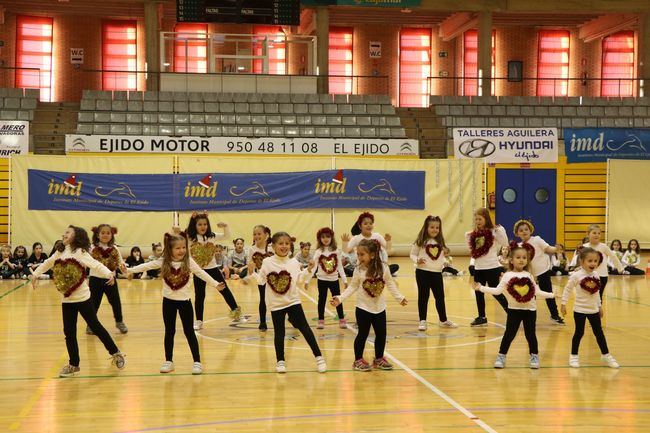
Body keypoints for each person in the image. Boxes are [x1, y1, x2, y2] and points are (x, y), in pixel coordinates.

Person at [30, 225, 126, 377]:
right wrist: (35, 274)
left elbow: (95, 264)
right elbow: (48, 262)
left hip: (83, 298)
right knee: (69, 332)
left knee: (96, 326)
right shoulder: (60, 251)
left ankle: (116, 353)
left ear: (76, 236)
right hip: (67, 299)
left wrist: (109, 274)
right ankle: (74, 364)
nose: (64, 234)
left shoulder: (80, 252)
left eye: (67, 232)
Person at [126, 231, 225, 375]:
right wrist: (129, 269)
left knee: (189, 332)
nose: (182, 251)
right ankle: (169, 361)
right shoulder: (164, 262)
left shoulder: (189, 262)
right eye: (178, 248)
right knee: (169, 331)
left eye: (184, 247)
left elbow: (201, 274)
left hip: (185, 302)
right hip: (168, 303)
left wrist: (215, 284)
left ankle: (197, 362)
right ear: (170, 249)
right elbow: (146, 266)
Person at [250, 231, 326, 374]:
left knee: (305, 329)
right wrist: (252, 273)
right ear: (273, 246)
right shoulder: (267, 262)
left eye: (287, 243)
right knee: (279, 333)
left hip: (293, 301)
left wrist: (308, 271)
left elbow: (299, 280)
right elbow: (261, 281)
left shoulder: (294, 262)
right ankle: (280, 361)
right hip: (276, 304)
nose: (284, 246)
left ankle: (319, 358)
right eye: (280, 243)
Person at [473, 246, 555, 369]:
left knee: (531, 335)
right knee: (509, 334)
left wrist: (551, 295)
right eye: (518, 257)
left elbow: (536, 292)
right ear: (511, 260)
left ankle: (534, 356)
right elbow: (497, 291)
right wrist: (481, 288)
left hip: (530, 311)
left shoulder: (529, 275)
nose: (521, 260)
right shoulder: (507, 276)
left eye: (524, 258)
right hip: (514, 311)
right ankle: (501, 356)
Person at [333, 239, 407, 371]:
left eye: (362, 254)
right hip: (363, 308)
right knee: (362, 334)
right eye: (358, 254)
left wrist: (399, 297)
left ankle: (379, 358)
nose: (359, 257)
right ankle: (358, 360)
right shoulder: (358, 270)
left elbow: (390, 283)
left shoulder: (383, 268)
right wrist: (340, 298)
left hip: (379, 308)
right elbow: (352, 287)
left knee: (381, 334)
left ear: (372, 255)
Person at [561, 247, 619, 369]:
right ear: (582, 262)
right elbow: (567, 289)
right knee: (579, 333)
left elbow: (596, 292)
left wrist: (599, 306)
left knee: (599, 333)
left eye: (595, 261)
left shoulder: (596, 275)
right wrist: (563, 303)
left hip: (593, 310)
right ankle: (574, 356)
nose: (593, 263)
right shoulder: (576, 276)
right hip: (580, 310)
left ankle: (606, 355)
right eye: (590, 261)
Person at [186, 212, 242, 330]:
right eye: (200, 224)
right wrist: (191, 219)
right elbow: (181, 235)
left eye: (205, 224)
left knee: (225, 290)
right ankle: (199, 320)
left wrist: (225, 226)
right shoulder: (190, 237)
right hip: (199, 271)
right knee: (200, 296)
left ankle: (236, 314)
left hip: (213, 269)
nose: (203, 227)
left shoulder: (212, 236)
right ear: (195, 226)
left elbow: (227, 236)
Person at [410, 215, 457, 331]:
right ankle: (422, 321)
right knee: (423, 296)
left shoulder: (440, 242)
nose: (434, 230)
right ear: (426, 227)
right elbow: (412, 254)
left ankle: (443, 320)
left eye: (437, 227)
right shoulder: (421, 241)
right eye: (432, 227)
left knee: (440, 297)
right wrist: (417, 260)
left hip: (436, 273)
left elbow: (440, 257)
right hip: (422, 272)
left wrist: (446, 261)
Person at [513, 219, 564, 324]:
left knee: (548, 293)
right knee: (530, 297)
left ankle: (555, 315)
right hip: (528, 275)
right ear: (517, 233)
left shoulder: (537, 240)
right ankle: (529, 317)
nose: (524, 231)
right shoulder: (518, 246)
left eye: (526, 229)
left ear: (530, 230)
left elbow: (548, 249)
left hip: (543, 272)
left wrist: (556, 249)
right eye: (521, 230)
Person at [465, 208, 509, 326]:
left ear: (486, 219)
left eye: (480, 219)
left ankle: (510, 312)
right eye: (476, 219)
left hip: (492, 267)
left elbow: (505, 243)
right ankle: (482, 317)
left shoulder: (494, 232)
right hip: (479, 268)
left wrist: (499, 230)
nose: (478, 221)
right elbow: (472, 250)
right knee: (479, 292)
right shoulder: (472, 235)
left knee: (496, 292)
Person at [88, 224, 128, 335]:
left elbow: (120, 261)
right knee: (94, 303)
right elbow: (86, 261)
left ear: (112, 235)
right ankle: (91, 325)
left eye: (108, 233)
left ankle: (119, 322)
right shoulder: (92, 248)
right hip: (95, 279)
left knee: (116, 302)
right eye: (103, 233)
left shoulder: (114, 248)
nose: (105, 235)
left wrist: (123, 267)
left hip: (111, 280)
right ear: (97, 234)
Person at [312, 227, 347, 329]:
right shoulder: (318, 251)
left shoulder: (336, 251)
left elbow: (340, 266)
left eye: (328, 236)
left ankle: (341, 319)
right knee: (321, 300)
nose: (325, 239)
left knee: (337, 299)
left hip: (334, 280)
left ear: (332, 238)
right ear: (320, 239)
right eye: (323, 237)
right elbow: (313, 266)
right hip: (322, 280)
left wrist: (344, 280)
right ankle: (321, 320)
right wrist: (307, 280)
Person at [582, 224, 626, 299]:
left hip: (602, 275)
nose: (597, 235)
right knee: (588, 296)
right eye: (594, 233)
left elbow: (613, 257)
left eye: (599, 233)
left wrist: (620, 268)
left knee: (599, 296)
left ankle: (598, 310)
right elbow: (580, 260)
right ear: (588, 234)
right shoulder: (584, 247)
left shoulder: (604, 246)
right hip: (587, 275)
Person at [247, 225, 274, 331]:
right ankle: (263, 322)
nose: (256, 236)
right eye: (254, 234)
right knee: (262, 299)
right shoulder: (252, 249)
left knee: (280, 299)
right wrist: (248, 277)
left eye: (259, 234)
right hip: (261, 278)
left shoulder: (272, 247)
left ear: (266, 235)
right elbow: (250, 265)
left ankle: (291, 317)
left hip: (275, 278)